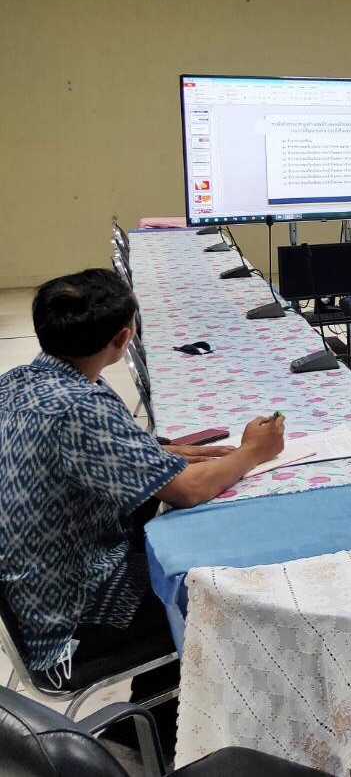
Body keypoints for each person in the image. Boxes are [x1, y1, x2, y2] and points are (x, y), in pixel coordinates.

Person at [0, 269, 285, 745]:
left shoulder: (19, 382)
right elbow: (190, 491)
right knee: (231, 585)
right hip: (73, 616)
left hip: (31, 592)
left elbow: (93, 453)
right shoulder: (80, 408)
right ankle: (179, 730)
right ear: (124, 337)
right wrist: (253, 451)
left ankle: (156, 715)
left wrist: (168, 455)